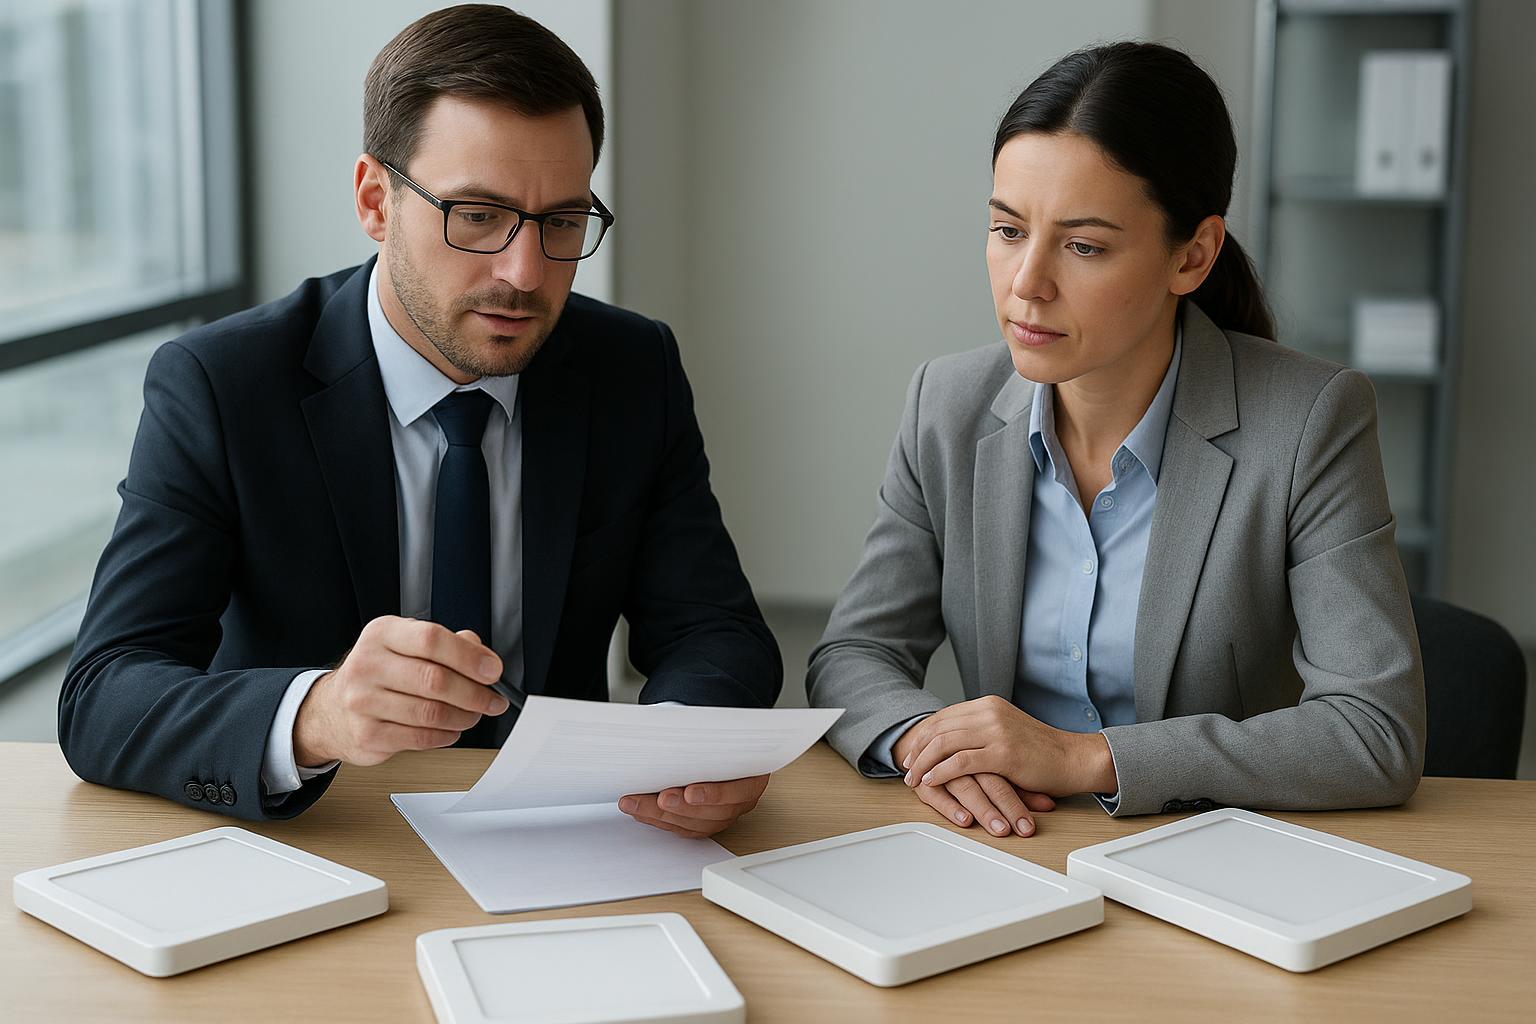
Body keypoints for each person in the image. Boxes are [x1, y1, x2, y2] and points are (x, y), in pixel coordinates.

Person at [59, 4, 780, 837]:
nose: (524, 271)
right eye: (477, 215)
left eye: (563, 222)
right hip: (317, 840)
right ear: (375, 200)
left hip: (564, 835)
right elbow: (103, 694)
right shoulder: (222, 384)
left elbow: (714, 628)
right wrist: (318, 714)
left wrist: (687, 740)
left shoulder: (630, 367)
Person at [807, 42, 1425, 838]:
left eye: (1084, 245)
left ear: (1193, 255)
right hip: (1005, 845)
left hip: (1213, 860)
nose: (1026, 281)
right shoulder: (947, 406)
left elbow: (1372, 732)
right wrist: (933, 745)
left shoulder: (1310, 420)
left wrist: (1086, 757)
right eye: (1006, 229)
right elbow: (853, 654)